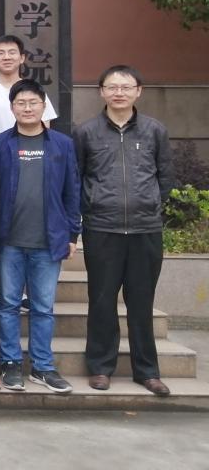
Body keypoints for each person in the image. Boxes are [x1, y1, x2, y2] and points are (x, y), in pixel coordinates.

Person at [74, 65, 176, 397]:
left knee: (141, 303)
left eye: (126, 87)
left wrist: (150, 204)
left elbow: (165, 176)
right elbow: (77, 178)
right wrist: (90, 208)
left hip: (146, 230)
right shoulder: (86, 132)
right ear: (101, 91)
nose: (119, 92)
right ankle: (100, 367)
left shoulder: (154, 130)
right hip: (102, 228)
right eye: (112, 87)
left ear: (138, 91)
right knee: (102, 301)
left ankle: (147, 371)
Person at [0, 80, 81, 394]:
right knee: (8, 304)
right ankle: (11, 362)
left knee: (43, 307)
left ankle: (42, 366)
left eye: (33, 103)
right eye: (21, 103)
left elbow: (72, 190)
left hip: (49, 240)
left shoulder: (62, 144)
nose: (27, 108)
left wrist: (72, 232)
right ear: (11, 107)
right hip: (8, 240)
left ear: (44, 106)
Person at [0, 35, 57, 143]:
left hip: (29, 151)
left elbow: (45, 128)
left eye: (12, 52)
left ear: (22, 58)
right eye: (1, 53)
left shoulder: (35, 91)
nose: (6, 57)